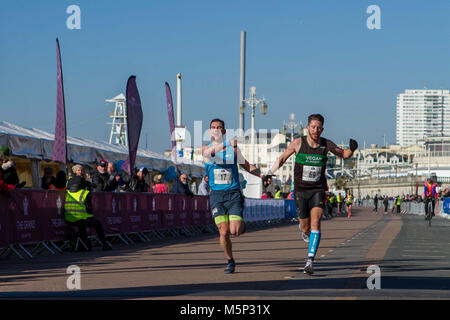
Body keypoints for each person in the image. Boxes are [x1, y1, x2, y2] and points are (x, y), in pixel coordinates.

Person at [265, 114, 357, 275]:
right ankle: (303, 228)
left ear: (322, 129)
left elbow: (343, 154)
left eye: (319, 127)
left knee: (316, 221)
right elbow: (282, 158)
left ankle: (310, 261)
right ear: (308, 127)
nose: (316, 130)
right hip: (301, 191)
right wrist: (269, 173)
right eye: (313, 127)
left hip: (318, 190)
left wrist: (353, 149)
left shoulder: (325, 144)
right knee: (306, 226)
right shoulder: (298, 143)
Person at [202, 118, 266, 274]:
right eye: (213, 128)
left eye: (219, 127)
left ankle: (241, 225)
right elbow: (210, 154)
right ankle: (230, 261)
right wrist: (228, 144)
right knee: (223, 232)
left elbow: (247, 166)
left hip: (233, 194)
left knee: (235, 231)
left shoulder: (233, 151)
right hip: (216, 196)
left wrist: (262, 175)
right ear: (210, 131)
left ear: (223, 131)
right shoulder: (205, 148)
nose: (216, 130)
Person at [64, 165, 111, 251]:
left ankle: (81, 244)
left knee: (83, 226)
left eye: (81, 170)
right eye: (79, 170)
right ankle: (104, 244)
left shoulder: (68, 190)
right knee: (97, 223)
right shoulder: (84, 193)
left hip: (68, 218)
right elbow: (89, 209)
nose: (81, 172)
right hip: (81, 218)